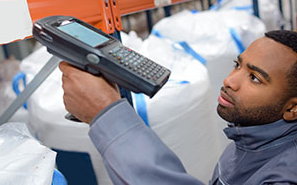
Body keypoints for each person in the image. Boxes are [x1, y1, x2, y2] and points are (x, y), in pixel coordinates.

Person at [59, 30, 297, 184]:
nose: (229, 81)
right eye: (238, 65)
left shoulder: (286, 176)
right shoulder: (250, 136)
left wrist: (107, 114)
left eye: (255, 78)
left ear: (292, 109)